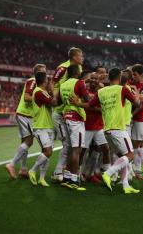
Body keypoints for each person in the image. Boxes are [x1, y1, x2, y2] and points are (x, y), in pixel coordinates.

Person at [71, 68, 141, 194]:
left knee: (122, 156)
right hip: (119, 129)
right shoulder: (123, 89)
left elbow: (90, 105)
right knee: (130, 155)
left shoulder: (101, 91)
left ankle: (125, 185)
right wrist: (137, 94)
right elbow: (136, 103)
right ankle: (107, 173)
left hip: (107, 130)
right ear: (119, 77)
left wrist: (77, 104)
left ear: (109, 78)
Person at [6, 64, 47, 179]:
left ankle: (23, 169)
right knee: (29, 142)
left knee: (24, 142)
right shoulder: (33, 81)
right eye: (43, 71)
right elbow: (27, 97)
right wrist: (40, 97)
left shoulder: (35, 83)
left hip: (23, 114)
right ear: (38, 72)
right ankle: (12, 164)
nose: (45, 73)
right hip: (26, 115)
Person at [50, 47, 84, 183]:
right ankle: (57, 172)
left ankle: (64, 171)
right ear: (74, 56)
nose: (82, 58)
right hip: (60, 110)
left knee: (71, 145)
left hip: (69, 110)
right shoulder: (63, 68)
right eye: (80, 55)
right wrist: (55, 97)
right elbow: (52, 82)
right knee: (67, 144)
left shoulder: (79, 69)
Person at [59, 64, 90, 191]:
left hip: (66, 116)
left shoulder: (63, 85)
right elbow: (88, 100)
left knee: (72, 149)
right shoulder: (79, 83)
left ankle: (67, 178)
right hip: (76, 118)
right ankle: (74, 179)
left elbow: (61, 101)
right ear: (77, 72)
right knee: (77, 150)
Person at [81, 72, 111, 183]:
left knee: (104, 149)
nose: (93, 80)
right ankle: (79, 174)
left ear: (99, 81)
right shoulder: (84, 90)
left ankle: (106, 174)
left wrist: (89, 106)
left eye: (96, 78)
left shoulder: (101, 92)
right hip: (86, 126)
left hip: (98, 127)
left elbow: (102, 109)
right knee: (82, 151)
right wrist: (93, 107)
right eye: (92, 78)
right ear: (89, 79)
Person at [28, 69, 55, 187]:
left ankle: (42, 178)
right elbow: (54, 102)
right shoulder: (39, 92)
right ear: (44, 80)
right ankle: (32, 170)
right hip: (41, 127)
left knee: (47, 153)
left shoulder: (43, 92)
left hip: (48, 126)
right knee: (48, 151)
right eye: (48, 79)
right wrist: (53, 90)